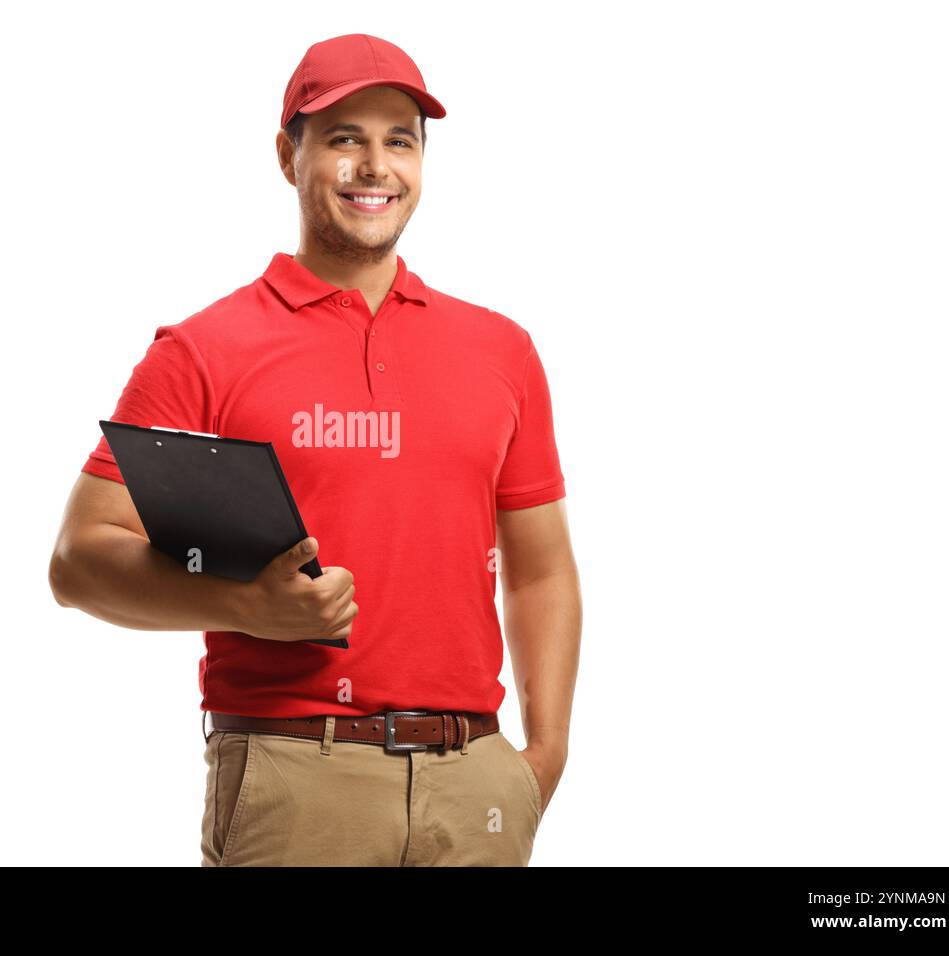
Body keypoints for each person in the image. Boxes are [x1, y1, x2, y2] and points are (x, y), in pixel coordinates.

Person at [49, 33, 582, 866]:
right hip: (297, 778)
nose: (375, 166)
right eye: (343, 139)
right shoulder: (203, 350)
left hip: (475, 782)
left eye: (398, 139)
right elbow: (79, 561)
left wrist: (540, 759)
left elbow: (541, 567)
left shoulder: (501, 351)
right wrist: (244, 607)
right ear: (287, 156)